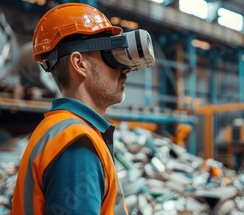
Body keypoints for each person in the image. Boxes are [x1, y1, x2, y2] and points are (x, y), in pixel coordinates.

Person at [11, 3, 155, 215]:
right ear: (79, 64)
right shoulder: (76, 143)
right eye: (110, 56)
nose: (124, 70)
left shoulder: (60, 129)